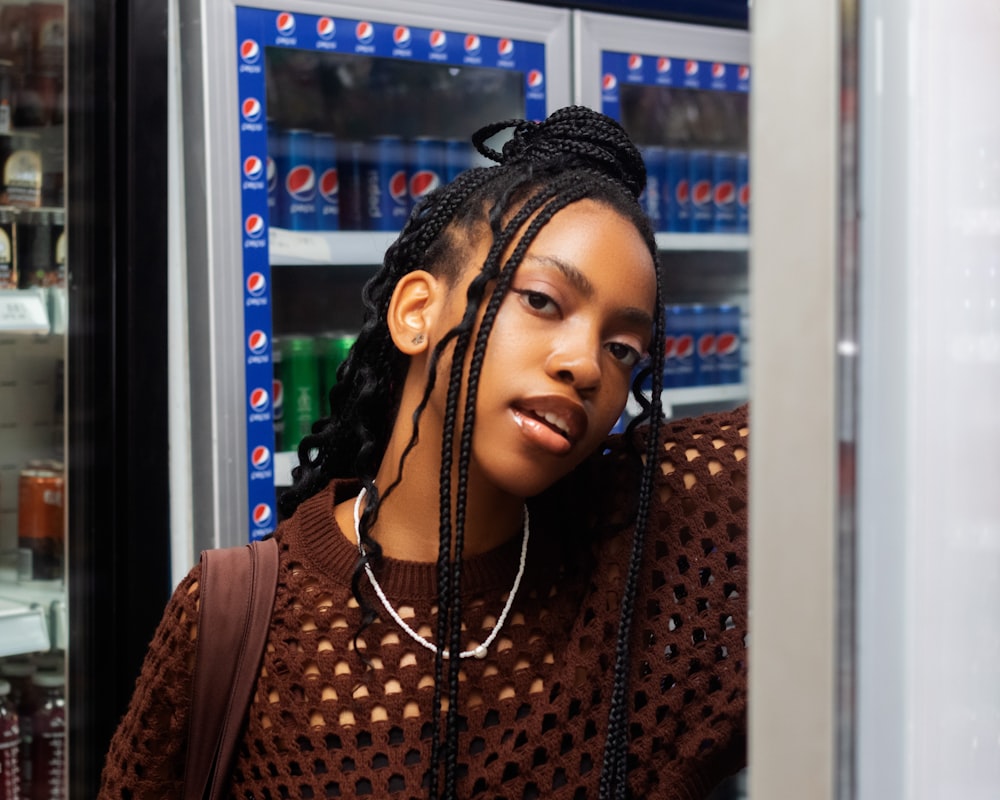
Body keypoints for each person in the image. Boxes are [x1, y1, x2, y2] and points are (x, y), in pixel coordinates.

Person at [99, 106, 748, 800]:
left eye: (623, 349)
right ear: (416, 313)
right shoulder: (238, 619)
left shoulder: (639, 549)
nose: (586, 364)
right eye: (542, 300)